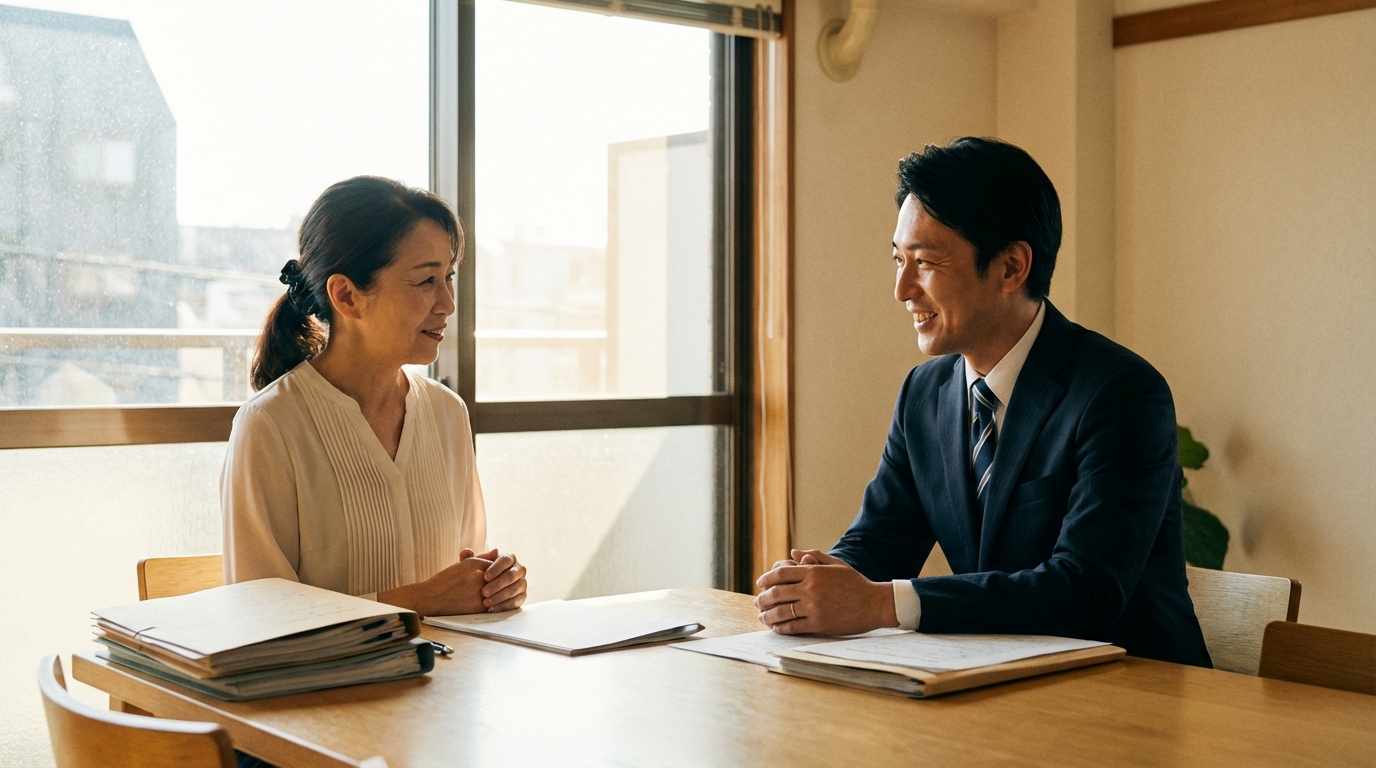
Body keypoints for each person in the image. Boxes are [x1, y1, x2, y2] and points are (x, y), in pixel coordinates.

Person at [754, 138, 1210, 667]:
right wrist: (821, 579)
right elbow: (880, 542)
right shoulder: (923, 394)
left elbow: (1083, 593)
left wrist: (877, 603)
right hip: (994, 686)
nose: (903, 289)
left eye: (924, 262)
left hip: (1135, 697)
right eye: (898, 259)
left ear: (1011, 267)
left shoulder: (1121, 394)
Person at [222, 176, 526, 616]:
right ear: (346, 295)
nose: (447, 303)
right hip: (325, 688)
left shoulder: (447, 413)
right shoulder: (270, 425)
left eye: (449, 277)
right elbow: (259, 618)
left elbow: (464, 585)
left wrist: (495, 587)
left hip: (448, 681)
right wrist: (417, 603)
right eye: (425, 281)